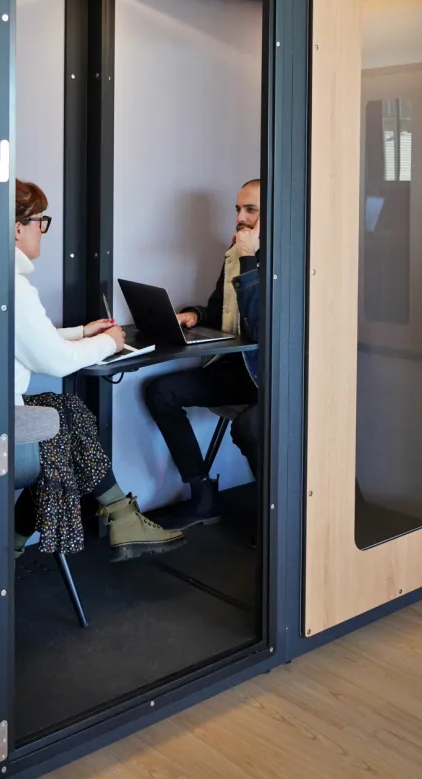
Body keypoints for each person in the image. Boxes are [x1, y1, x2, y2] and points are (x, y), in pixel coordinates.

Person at [14, 179, 183, 561]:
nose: (43, 230)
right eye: (40, 221)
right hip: (4, 425)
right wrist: (109, 342)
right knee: (64, 430)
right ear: (17, 228)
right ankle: (117, 518)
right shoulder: (15, 286)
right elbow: (55, 361)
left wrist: (82, 332)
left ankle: (114, 517)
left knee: (67, 414)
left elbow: (25, 340)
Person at [144, 179, 261, 529]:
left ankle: (279, 512)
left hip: (270, 377)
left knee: (249, 426)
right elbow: (221, 310)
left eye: (250, 210)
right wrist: (195, 315)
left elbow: (260, 326)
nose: (240, 217)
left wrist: (250, 259)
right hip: (240, 370)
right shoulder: (234, 255)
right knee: (160, 392)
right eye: (238, 209)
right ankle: (203, 495)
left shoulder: (283, 257)